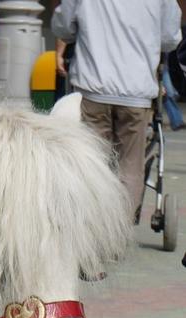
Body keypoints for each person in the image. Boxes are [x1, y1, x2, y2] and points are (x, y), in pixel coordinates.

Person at [53, 0, 181, 221]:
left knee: (93, 161)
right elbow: (170, 37)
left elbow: (62, 26)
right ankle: (119, 226)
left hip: (92, 87)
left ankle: (91, 221)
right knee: (130, 165)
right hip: (136, 91)